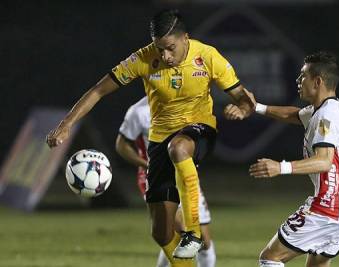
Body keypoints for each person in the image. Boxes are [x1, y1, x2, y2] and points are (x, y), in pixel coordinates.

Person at [46, 9, 255, 267]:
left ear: (185, 38)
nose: (165, 56)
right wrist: (66, 124)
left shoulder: (208, 56)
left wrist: (243, 109)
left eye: (170, 48)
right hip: (159, 142)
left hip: (198, 130)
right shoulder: (144, 58)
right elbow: (99, 90)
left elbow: (243, 97)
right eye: (159, 49)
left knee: (179, 149)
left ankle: (192, 232)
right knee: (161, 232)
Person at [225, 51, 339, 267]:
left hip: (329, 206)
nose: (298, 81)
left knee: (270, 258)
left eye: (303, 76)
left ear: (317, 81)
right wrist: (257, 107)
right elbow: (294, 115)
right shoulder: (327, 108)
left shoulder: (327, 115)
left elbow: (324, 161)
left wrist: (281, 167)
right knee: (316, 264)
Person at [115, 96, 216, 267]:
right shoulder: (138, 111)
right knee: (179, 234)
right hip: (157, 180)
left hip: (185, 177)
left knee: (204, 243)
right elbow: (121, 145)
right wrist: (147, 165)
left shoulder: (188, 101)